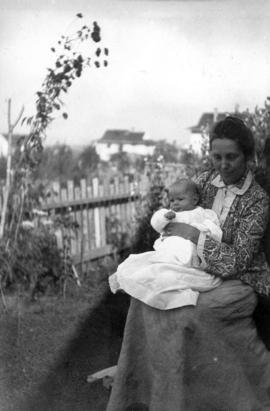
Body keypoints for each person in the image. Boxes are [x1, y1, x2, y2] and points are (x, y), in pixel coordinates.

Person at [106, 116, 270, 411]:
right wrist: (171, 222)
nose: (223, 164)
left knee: (186, 313)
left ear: (247, 155)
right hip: (193, 269)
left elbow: (238, 260)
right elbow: (176, 210)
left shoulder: (257, 200)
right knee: (145, 297)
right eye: (216, 156)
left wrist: (192, 234)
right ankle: (149, 391)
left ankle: (219, 397)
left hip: (242, 279)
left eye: (231, 157)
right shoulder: (204, 181)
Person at [109, 178, 222, 310]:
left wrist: (198, 230)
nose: (175, 204)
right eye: (172, 200)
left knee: (168, 272)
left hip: (189, 253)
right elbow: (156, 222)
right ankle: (134, 280)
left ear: (195, 200)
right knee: (144, 264)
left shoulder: (203, 214)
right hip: (168, 251)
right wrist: (164, 217)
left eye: (180, 199)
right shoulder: (171, 214)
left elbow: (216, 233)